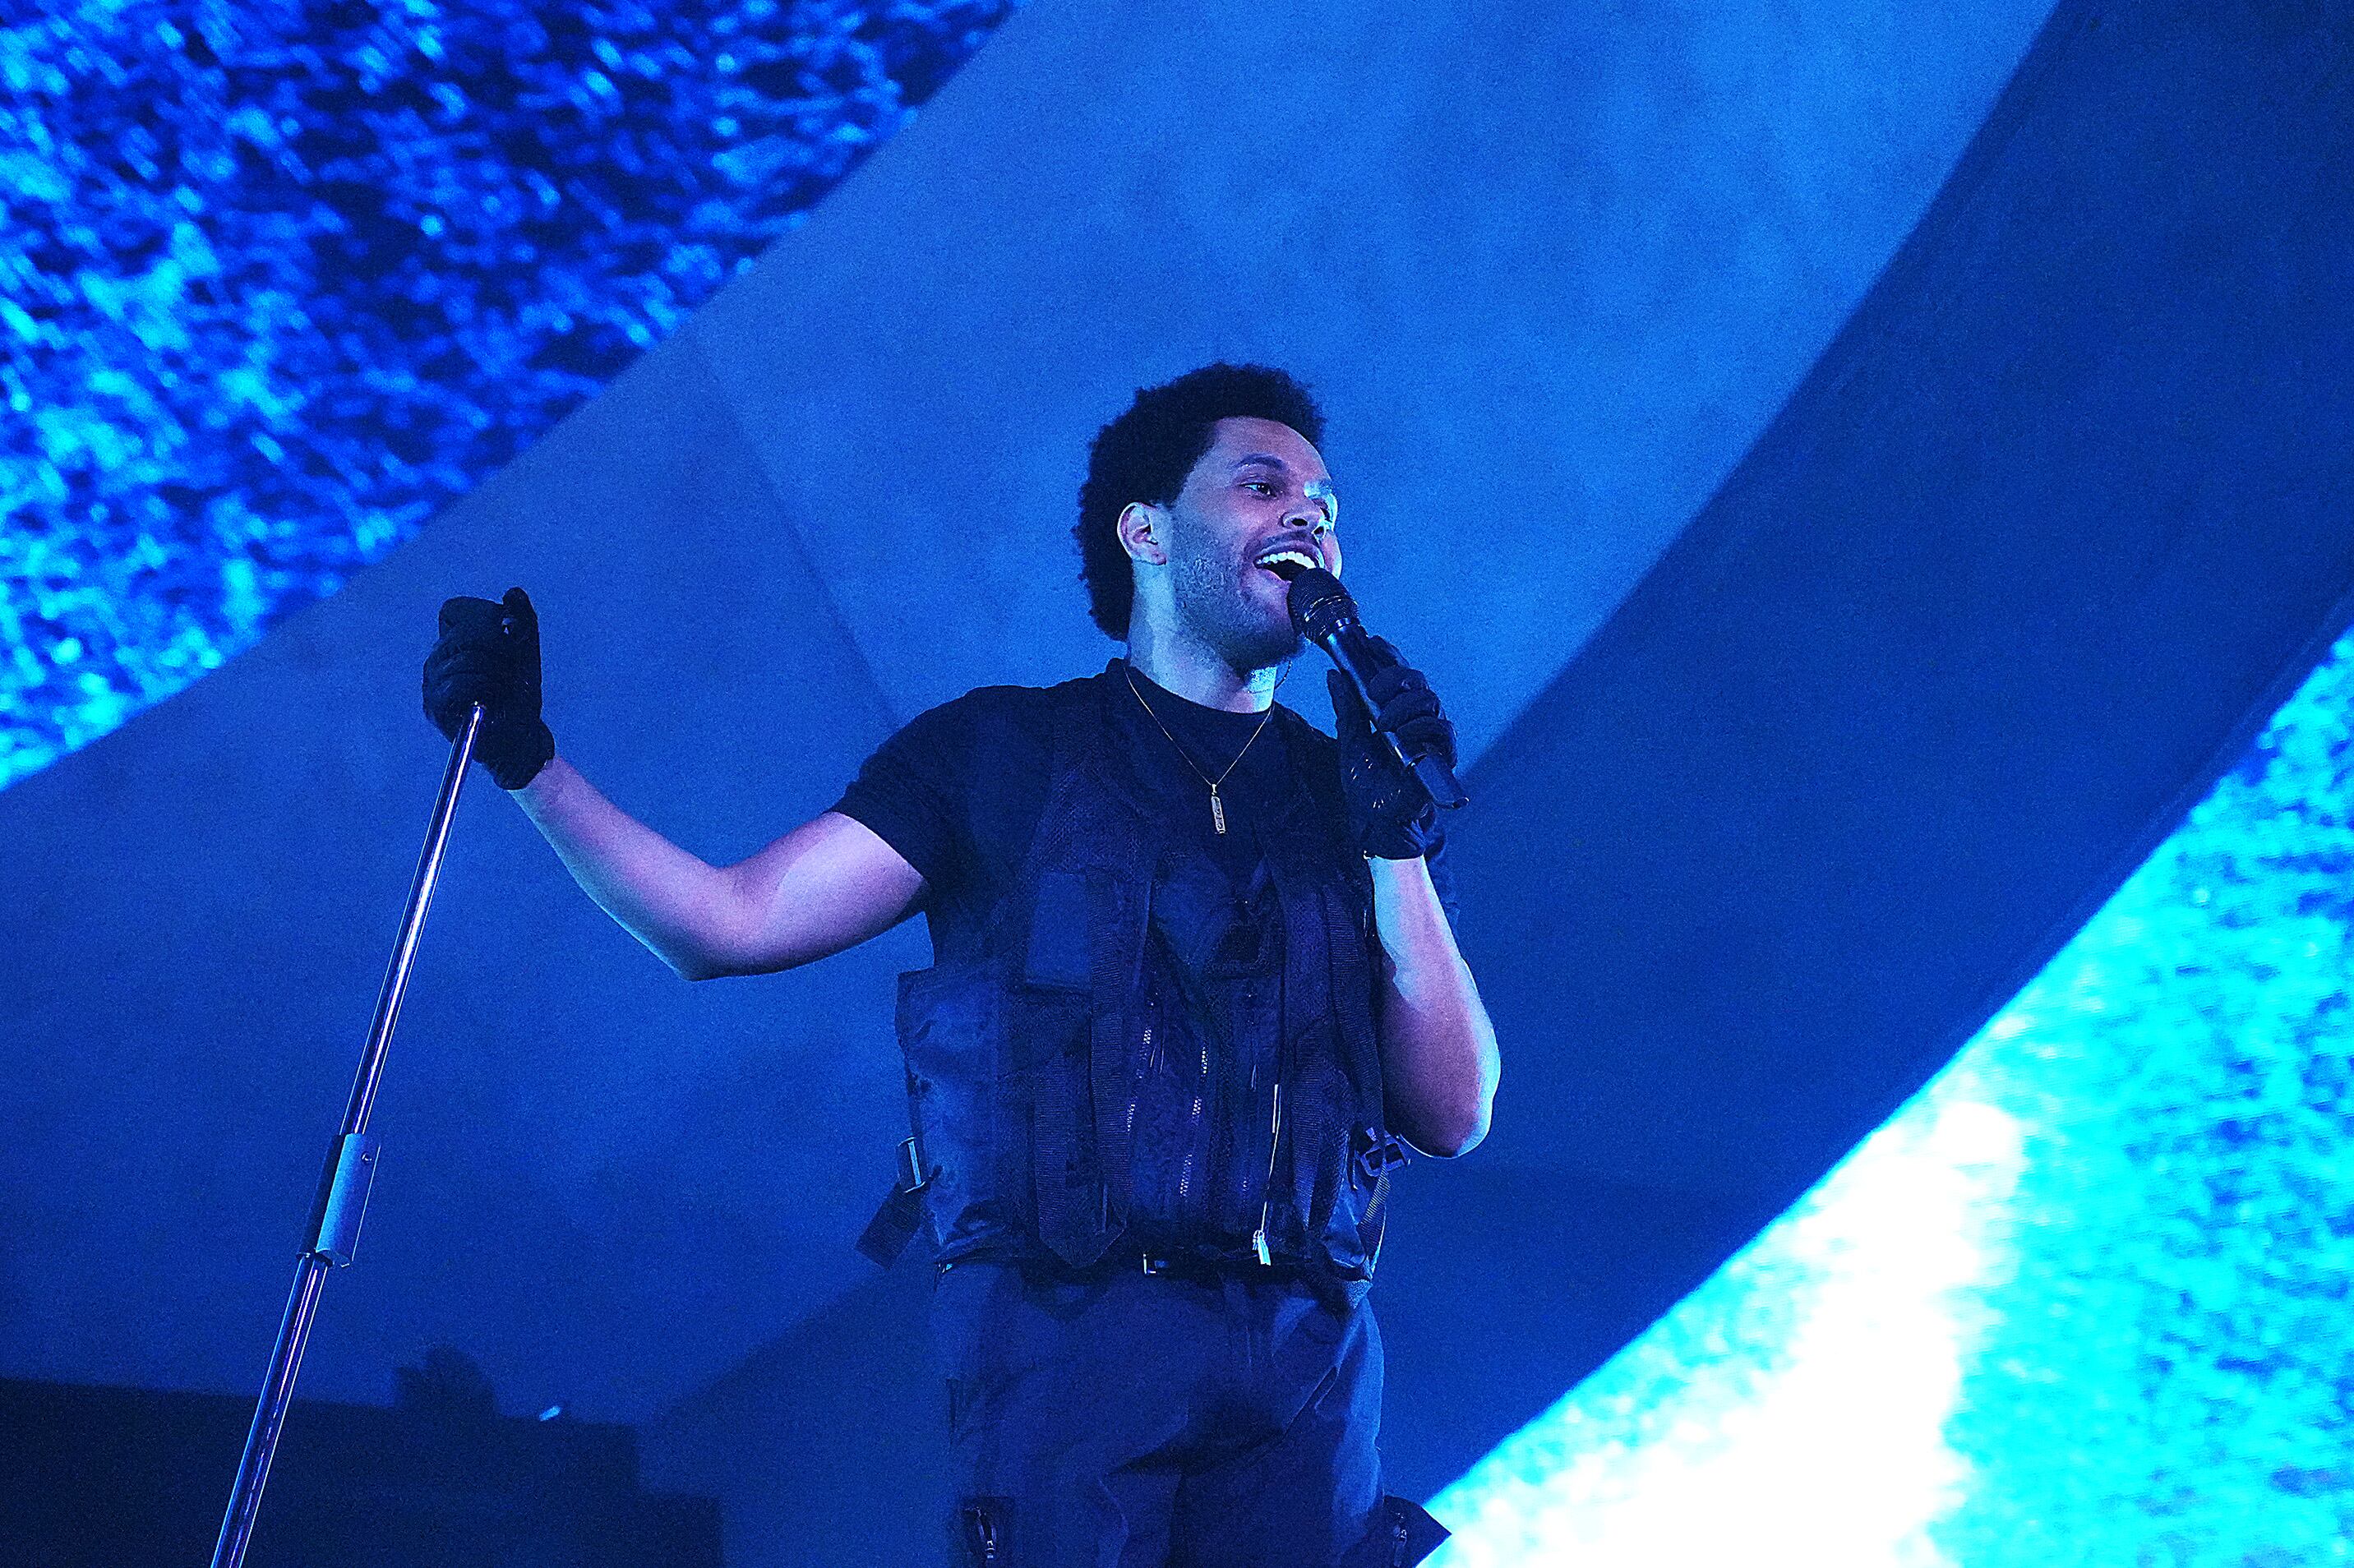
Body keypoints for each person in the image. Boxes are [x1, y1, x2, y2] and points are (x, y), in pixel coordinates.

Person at [422, 363, 1499, 1567]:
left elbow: (1454, 1109)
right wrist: (528, 760)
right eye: (1263, 485)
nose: (1309, 517)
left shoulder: (1343, 790)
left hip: (1311, 1355)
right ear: (1146, 530)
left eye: (1326, 506)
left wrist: (1394, 837)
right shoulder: (999, 756)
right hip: (1076, 1338)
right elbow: (724, 925)